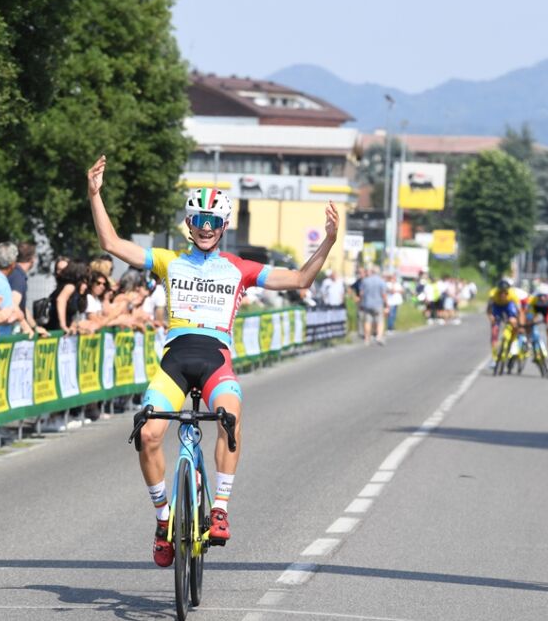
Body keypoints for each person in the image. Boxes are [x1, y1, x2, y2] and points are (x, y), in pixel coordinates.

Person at [86, 155, 338, 567]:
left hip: (215, 359)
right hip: (176, 359)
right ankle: (163, 521)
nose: (205, 229)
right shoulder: (169, 260)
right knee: (148, 434)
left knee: (230, 417)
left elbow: (299, 280)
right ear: (189, 225)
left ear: (222, 227)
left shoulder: (238, 268)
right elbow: (112, 245)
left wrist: (327, 241)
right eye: (198, 221)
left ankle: (219, 506)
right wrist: (95, 195)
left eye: (212, 223)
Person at [487, 278, 524, 369]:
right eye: (501, 293)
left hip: (508, 306)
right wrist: (491, 317)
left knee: (513, 323)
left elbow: (520, 311)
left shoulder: (513, 295)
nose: (503, 295)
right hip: (497, 307)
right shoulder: (493, 294)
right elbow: (488, 310)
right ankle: (494, 358)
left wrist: (520, 324)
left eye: (505, 293)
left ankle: (513, 343)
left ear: (508, 292)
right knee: (494, 332)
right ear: (498, 291)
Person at [525, 283, 548, 370]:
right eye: (540, 296)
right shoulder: (533, 298)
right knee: (529, 323)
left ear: (547, 295)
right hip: (536, 308)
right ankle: (528, 342)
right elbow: (528, 311)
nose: (542, 298)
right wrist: (531, 320)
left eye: (544, 296)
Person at [358, 265, 388, 345]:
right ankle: (379, 336)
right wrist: (386, 305)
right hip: (378, 304)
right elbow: (384, 294)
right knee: (380, 321)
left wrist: (360, 303)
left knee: (367, 321)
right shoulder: (381, 281)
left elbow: (361, 293)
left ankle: (367, 339)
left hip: (367, 304)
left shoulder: (365, 281)